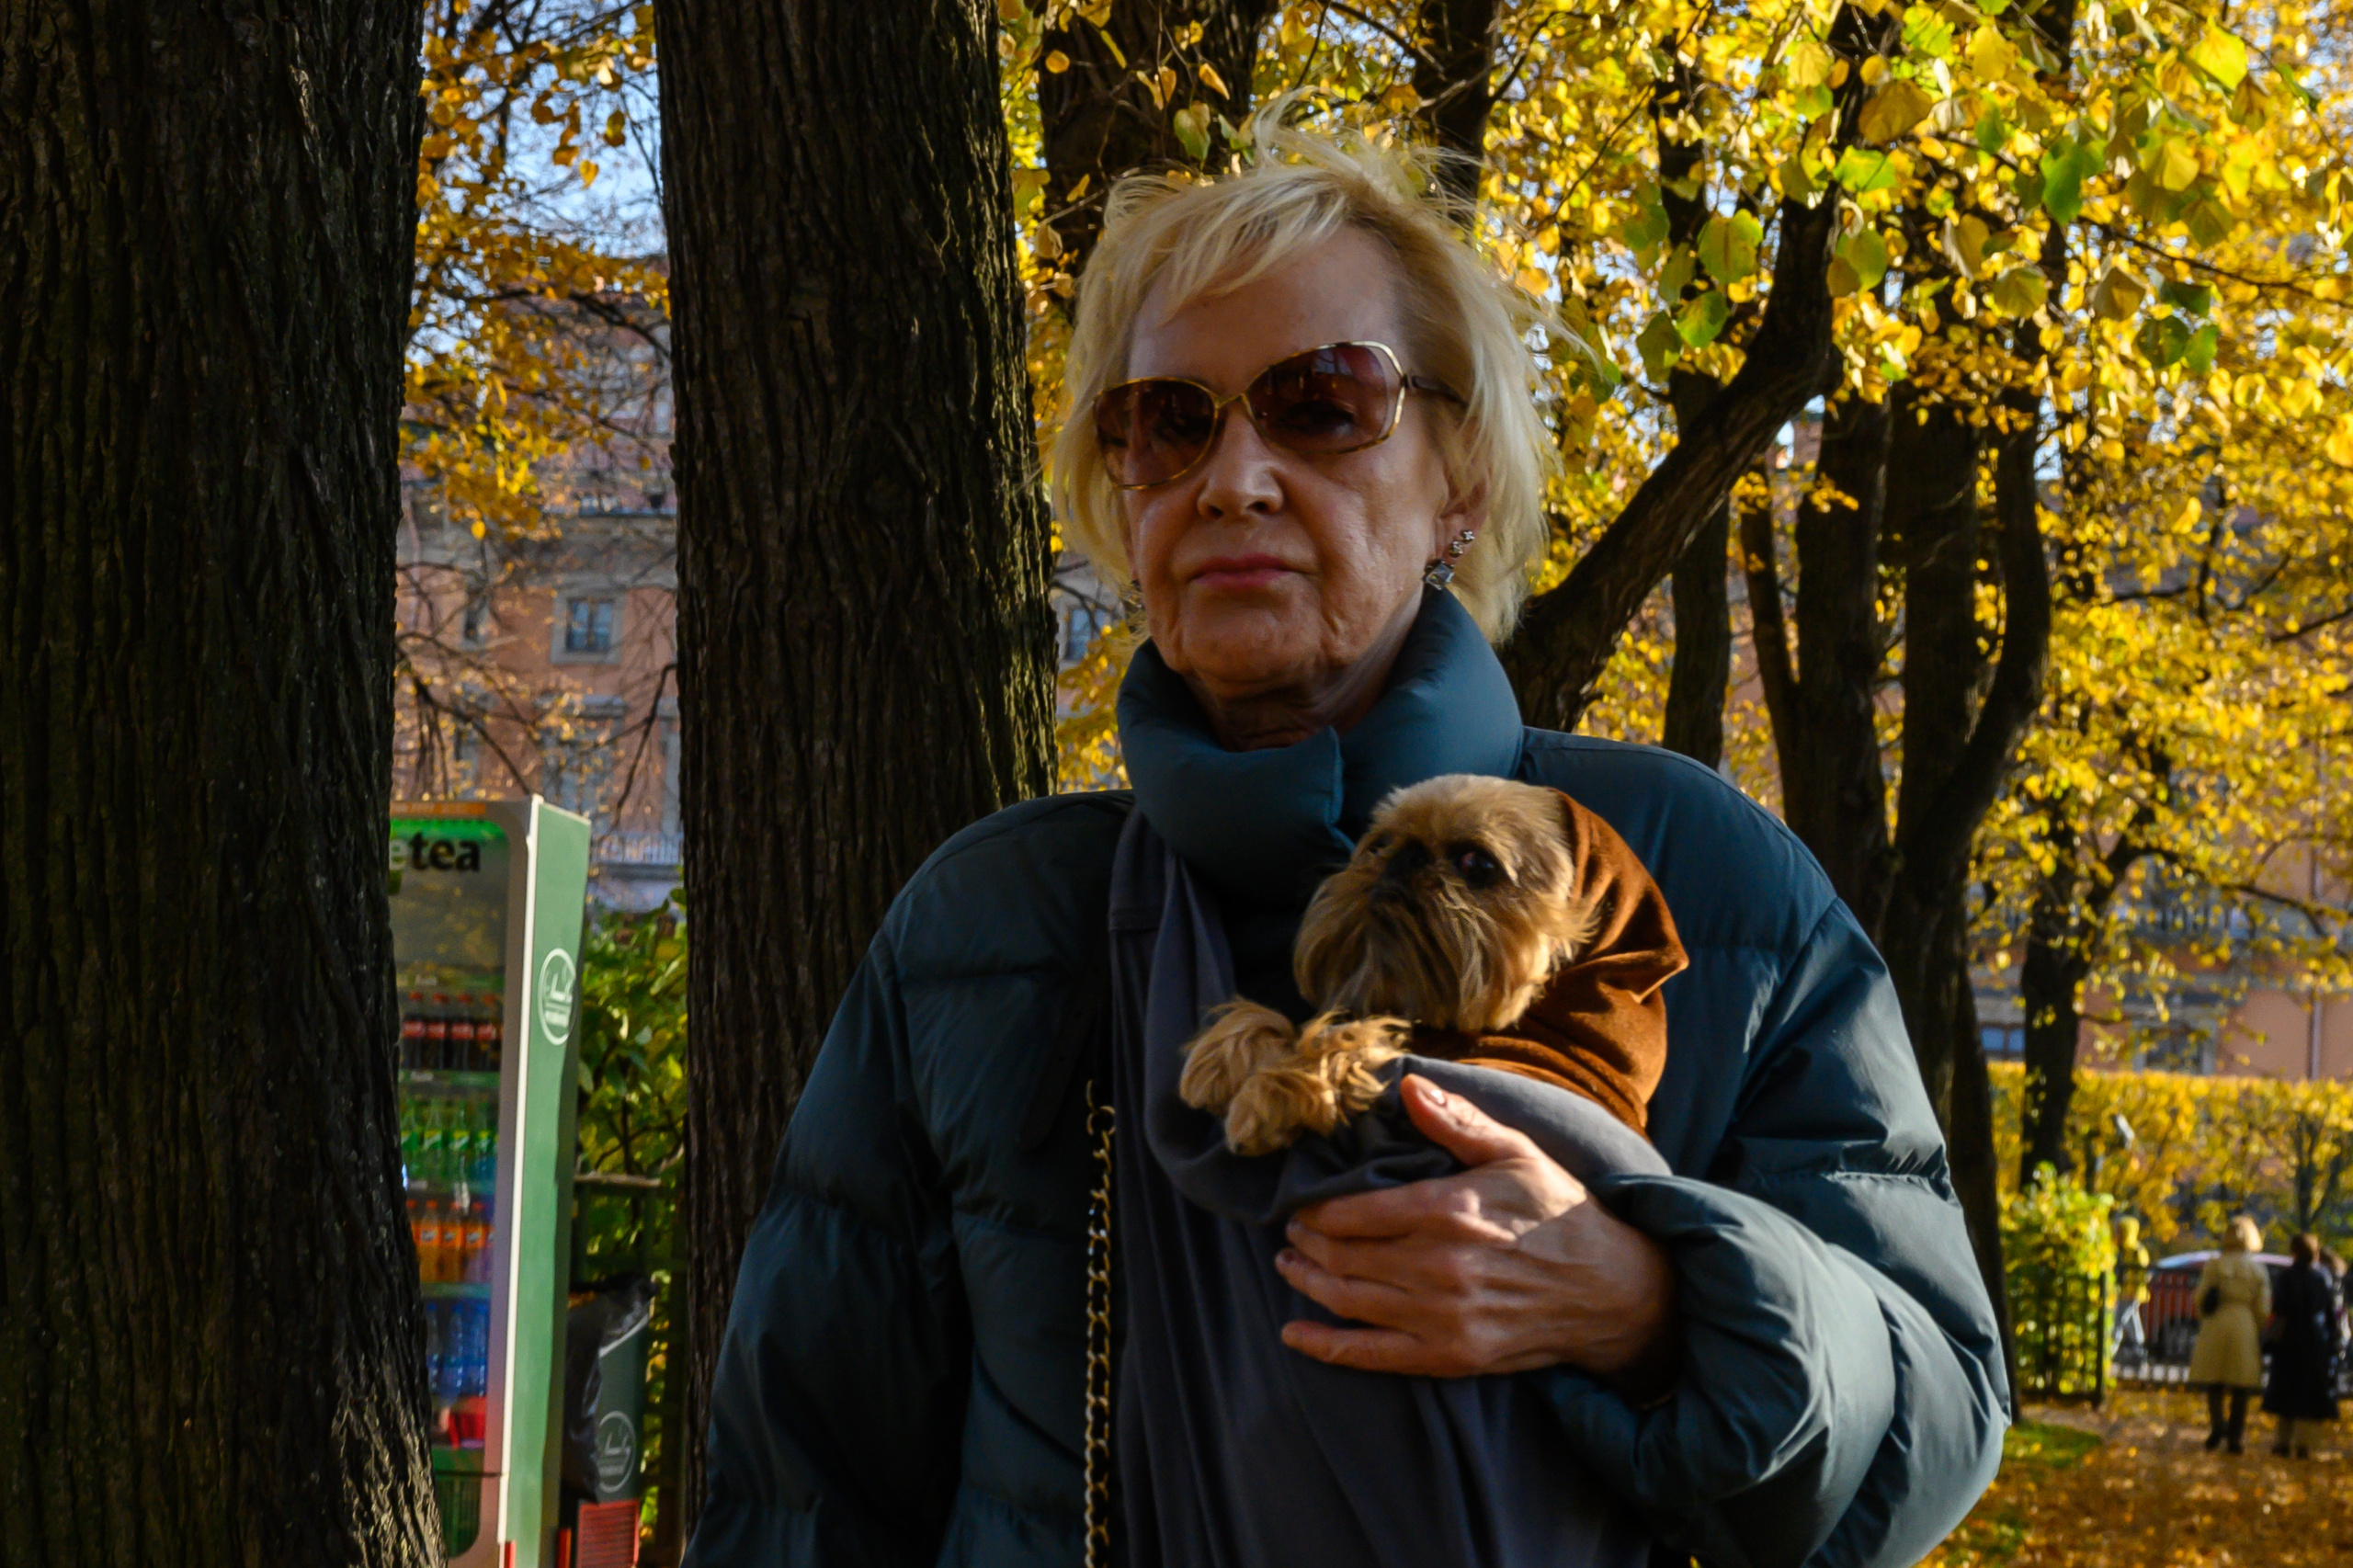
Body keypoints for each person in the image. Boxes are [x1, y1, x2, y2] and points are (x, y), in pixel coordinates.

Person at [684, 111, 2006, 1568]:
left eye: (1321, 403)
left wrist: (1650, 1302)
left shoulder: (1696, 873)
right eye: (1169, 420)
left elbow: (1941, 1415)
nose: (1232, 478)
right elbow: (802, 1498)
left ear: (1461, 482)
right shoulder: (994, 921)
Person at [2189, 1215, 2272, 1454]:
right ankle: (2235, 1436)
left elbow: (2201, 1297)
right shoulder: (2257, 1269)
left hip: (2216, 1323)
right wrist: (2256, 1326)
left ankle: (2218, 1426)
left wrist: (2205, 1318)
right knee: (2241, 1384)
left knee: (2214, 1381)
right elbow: (2263, 1307)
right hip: (2243, 1324)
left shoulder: (2214, 1265)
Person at [2263, 1233, 2341, 1457]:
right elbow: (2330, 1311)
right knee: (2310, 1393)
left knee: (2286, 1391)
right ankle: (2304, 1443)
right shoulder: (2321, 1278)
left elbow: (2278, 1308)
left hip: (2289, 1338)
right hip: (2316, 1340)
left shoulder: (2285, 1277)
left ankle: (2283, 1441)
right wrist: (2333, 1339)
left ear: (2293, 1251)